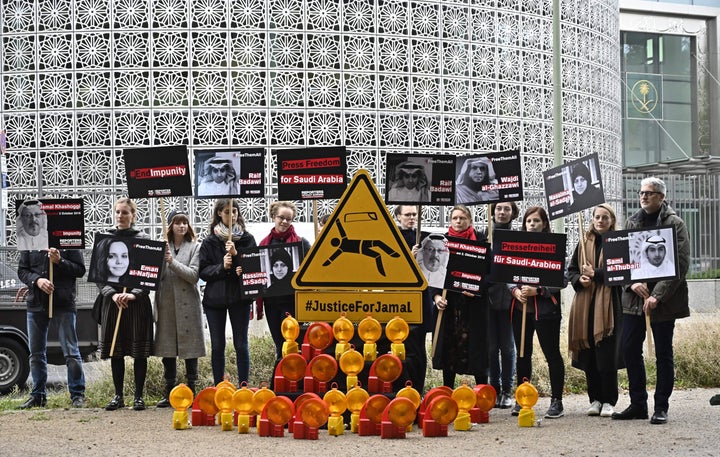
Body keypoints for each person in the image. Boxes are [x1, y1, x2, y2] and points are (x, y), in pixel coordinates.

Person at [612, 177, 690, 425]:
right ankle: (638, 404)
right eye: (641, 192)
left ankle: (661, 406)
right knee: (629, 349)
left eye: (649, 192)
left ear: (661, 197)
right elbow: (623, 261)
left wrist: (657, 295)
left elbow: (680, 264)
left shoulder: (675, 224)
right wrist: (630, 283)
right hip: (634, 301)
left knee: (663, 353)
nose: (644, 196)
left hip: (664, 303)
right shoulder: (632, 221)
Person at [97, 198, 154, 411]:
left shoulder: (143, 240)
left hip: (137, 304)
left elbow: (150, 275)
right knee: (116, 350)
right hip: (113, 304)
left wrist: (134, 294)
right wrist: (111, 294)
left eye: (125, 213)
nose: (120, 216)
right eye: (118, 212)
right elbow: (99, 275)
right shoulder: (105, 240)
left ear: (133, 215)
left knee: (139, 351)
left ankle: (138, 397)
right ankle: (118, 395)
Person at [567, 203, 623, 418]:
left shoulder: (617, 242)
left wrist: (596, 273)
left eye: (605, 218)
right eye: (597, 217)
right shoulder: (583, 241)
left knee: (606, 354)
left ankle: (609, 400)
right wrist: (579, 279)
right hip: (585, 305)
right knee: (589, 353)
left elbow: (621, 271)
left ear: (611, 221)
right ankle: (595, 399)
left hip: (608, 308)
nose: (600, 221)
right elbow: (571, 269)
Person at [510, 206, 566, 418]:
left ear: (544, 224)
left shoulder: (554, 246)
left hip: (545, 311)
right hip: (520, 310)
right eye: (529, 221)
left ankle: (557, 400)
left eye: (536, 221)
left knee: (552, 354)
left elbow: (563, 279)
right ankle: (522, 397)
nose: (532, 225)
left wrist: (540, 290)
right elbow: (507, 272)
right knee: (523, 355)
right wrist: (514, 291)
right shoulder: (516, 246)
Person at [17, 247, 87, 409]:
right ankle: (38, 395)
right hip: (36, 304)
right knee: (36, 353)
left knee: (71, 351)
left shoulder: (68, 239)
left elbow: (80, 270)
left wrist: (60, 261)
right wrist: (37, 280)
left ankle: (77, 394)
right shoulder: (31, 238)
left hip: (63, 303)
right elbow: (22, 270)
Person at [430, 204, 489, 388]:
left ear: (470, 221)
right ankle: (447, 390)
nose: (458, 221)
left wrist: (478, 289)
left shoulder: (481, 241)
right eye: (455, 218)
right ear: (450, 221)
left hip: (473, 305)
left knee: (477, 349)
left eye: (462, 218)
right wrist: (437, 297)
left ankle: (482, 393)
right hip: (450, 305)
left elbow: (490, 273)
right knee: (450, 348)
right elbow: (433, 272)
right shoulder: (442, 243)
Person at [199, 198, 257, 385]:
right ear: (219, 214)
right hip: (215, 300)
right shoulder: (210, 241)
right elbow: (203, 271)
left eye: (234, 212)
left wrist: (236, 256)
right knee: (217, 345)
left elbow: (254, 266)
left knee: (241, 344)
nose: (231, 215)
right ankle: (219, 385)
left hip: (240, 299)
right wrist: (221, 267)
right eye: (227, 212)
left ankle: (243, 385)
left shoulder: (247, 239)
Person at [154, 210, 206, 408]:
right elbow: (153, 277)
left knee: (190, 348)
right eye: (177, 223)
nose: (182, 226)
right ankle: (169, 391)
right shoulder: (161, 247)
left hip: (188, 304)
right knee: (168, 348)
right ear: (170, 226)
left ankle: (192, 389)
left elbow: (193, 275)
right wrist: (160, 259)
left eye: (185, 222)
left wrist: (172, 262)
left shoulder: (195, 247)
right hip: (166, 303)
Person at [256, 201, 311, 364]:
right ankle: (281, 377)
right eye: (281, 218)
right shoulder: (263, 244)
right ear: (273, 217)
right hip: (271, 303)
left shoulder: (301, 243)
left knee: (292, 343)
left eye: (289, 219)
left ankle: (293, 375)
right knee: (279, 344)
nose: (285, 222)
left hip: (292, 302)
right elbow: (258, 273)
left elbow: (311, 270)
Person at [395, 205, 433, 394]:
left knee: (419, 349)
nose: (411, 218)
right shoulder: (392, 237)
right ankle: (402, 388)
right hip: (399, 302)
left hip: (421, 301)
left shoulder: (426, 237)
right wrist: (410, 258)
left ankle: (418, 389)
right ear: (398, 216)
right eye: (407, 214)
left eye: (414, 214)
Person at [485, 202, 518, 409]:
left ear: (513, 213)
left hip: (511, 299)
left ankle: (507, 390)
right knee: (490, 348)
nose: (502, 212)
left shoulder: (519, 237)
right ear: (493, 211)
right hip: (488, 299)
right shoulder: (484, 236)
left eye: (507, 209)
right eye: (499, 209)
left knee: (507, 347)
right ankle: (493, 389)